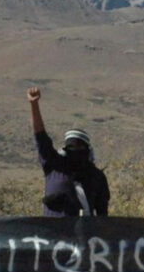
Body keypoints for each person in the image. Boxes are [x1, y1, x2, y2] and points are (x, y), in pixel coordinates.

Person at [27, 87, 110, 217]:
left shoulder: (96, 177)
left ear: (87, 150)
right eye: (71, 146)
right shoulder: (54, 166)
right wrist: (34, 104)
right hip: (53, 235)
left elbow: (102, 214)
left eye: (80, 147)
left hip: (83, 235)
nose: (75, 150)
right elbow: (40, 136)